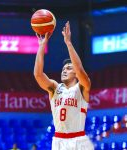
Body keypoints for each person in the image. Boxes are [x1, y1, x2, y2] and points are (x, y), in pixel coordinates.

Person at [34, 21, 94, 150]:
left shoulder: (82, 87)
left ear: (76, 74)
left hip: (77, 140)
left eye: (68, 68)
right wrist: (41, 46)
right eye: (63, 69)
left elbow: (80, 70)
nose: (64, 70)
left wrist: (68, 43)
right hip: (59, 141)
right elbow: (38, 75)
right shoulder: (55, 88)